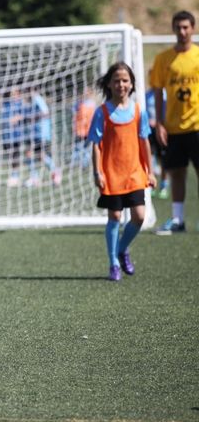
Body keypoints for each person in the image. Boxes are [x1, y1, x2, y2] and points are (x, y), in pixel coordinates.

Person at [89, 62, 156, 281]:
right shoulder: (102, 112)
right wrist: (97, 173)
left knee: (139, 216)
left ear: (132, 84)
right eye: (116, 80)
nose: (121, 84)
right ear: (109, 84)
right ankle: (114, 263)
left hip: (134, 173)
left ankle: (121, 248)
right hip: (111, 174)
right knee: (115, 216)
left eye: (125, 80)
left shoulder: (138, 111)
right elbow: (96, 145)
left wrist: (150, 171)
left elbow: (144, 142)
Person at [151, 10, 199, 234]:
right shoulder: (163, 59)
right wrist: (160, 123)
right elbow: (157, 92)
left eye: (186, 27)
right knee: (176, 173)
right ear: (173, 29)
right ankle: (178, 220)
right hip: (173, 127)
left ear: (193, 28)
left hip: (197, 125)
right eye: (178, 27)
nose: (182, 31)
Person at [26, 89, 62, 186]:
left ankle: (54, 172)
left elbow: (46, 113)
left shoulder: (38, 99)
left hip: (41, 133)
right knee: (32, 155)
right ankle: (35, 177)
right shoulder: (32, 101)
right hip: (35, 133)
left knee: (38, 155)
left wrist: (34, 117)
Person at [145, 84, 169, 199]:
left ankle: (164, 185)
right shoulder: (147, 95)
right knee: (150, 156)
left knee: (163, 158)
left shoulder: (164, 94)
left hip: (162, 129)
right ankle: (152, 184)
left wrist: (160, 123)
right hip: (150, 129)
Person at [71, 87, 97, 168]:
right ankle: (79, 164)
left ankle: (84, 164)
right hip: (80, 130)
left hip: (88, 130)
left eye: (86, 92)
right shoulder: (79, 103)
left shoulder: (92, 104)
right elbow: (74, 113)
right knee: (78, 147)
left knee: (85, 148)